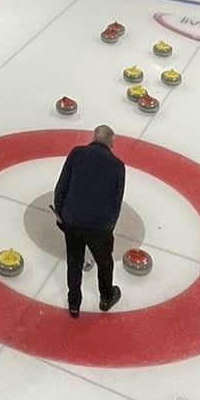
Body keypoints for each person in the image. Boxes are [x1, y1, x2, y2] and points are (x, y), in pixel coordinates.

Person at [53, 125, 125, 319]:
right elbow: (116, 201)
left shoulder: (76, 154)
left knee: (74, 261)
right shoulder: (118, 166)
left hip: (72, 219)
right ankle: (106, 296)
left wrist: (61, 216)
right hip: (100, 225)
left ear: (93, 138)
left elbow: (62, 186)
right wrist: (109, 227)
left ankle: (74, 302)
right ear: (111, 142)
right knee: (104, 261)